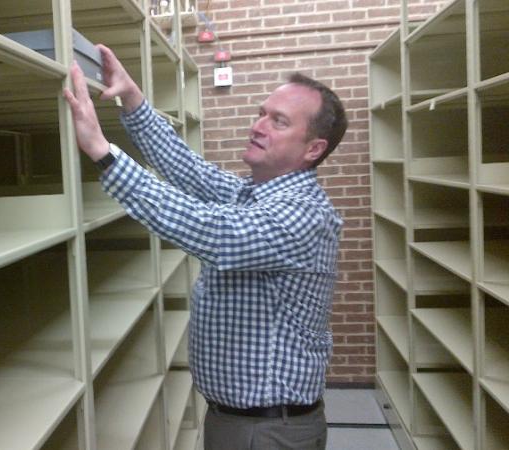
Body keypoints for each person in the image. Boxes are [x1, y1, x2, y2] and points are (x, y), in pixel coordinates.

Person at [65, 44, 347, 450]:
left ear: (313, 149)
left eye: (278, 121)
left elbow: (212, 232)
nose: (259, 125)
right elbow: (191, 171)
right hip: (241, 421)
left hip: (268, 431)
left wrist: (102, 153)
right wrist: (132, 100)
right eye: (261, 113)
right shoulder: (255, 195)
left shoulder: (302, 214)